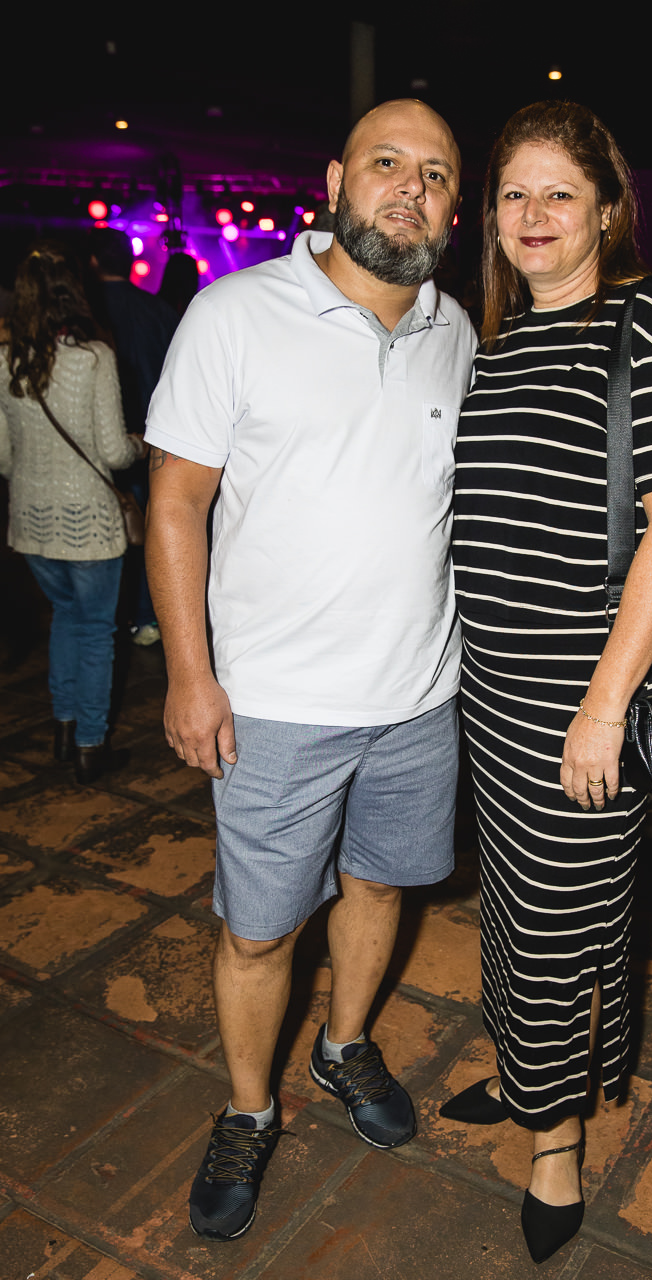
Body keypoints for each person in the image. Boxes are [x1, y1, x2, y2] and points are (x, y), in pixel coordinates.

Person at [144, 99, 476, 1242]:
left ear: (453, 207)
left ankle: (342, 1045)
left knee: (381, 887)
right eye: (387, 162)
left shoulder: (456, 331)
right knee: (258, 931)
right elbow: (175, 501)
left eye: (435, 173)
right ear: (336, 178)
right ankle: (248, 1108)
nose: (410, 187)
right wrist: (190, 673)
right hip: (275, 706)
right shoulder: (235, 313)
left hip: (419, 697)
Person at [443, 101, 652, 1264]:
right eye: (513, 193)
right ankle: (524, 1073)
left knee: (558, 926)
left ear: (607, 207)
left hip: (580, 694)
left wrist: (602, 708)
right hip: (493, 691)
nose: (534, 213)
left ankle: (554, 1140)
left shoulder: (650, 323)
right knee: (511, 904)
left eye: (560, 191)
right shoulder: (499, 343)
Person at [0, 242, 145, 783]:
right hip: (88, 522)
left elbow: (3, 457)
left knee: (65, 617)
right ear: (73, 293)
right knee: (97, 632)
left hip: (31, 521)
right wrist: (140, 444)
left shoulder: (6, 360)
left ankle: (64, 728)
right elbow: (113, 452)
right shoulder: (92, 359)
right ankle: (90, 745)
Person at [89, 227, 179, 647]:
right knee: (148, 525)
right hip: (153, 437)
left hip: (98, 443)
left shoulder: (86, 313)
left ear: (93, 263)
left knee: (105, 532)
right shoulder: (157, 310)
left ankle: (116, 616)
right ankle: (144, 617)